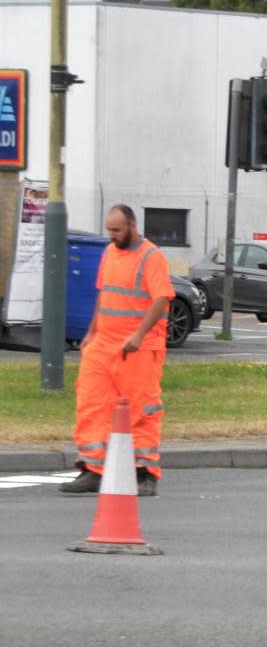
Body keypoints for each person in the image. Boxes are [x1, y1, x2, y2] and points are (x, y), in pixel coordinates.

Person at [59, 205, 173, 497]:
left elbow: (161, 299)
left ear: (132, 226)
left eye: (117, 230)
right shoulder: (110, 252)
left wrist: (138, 335)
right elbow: (104, 293)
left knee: (142, 410)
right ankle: (93, 469)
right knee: (92, 406)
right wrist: (90, 333)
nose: (112, 236)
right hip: (103, 346)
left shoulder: (151, 257)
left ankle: (145, 473)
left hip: (138, 349)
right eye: (109, 230)